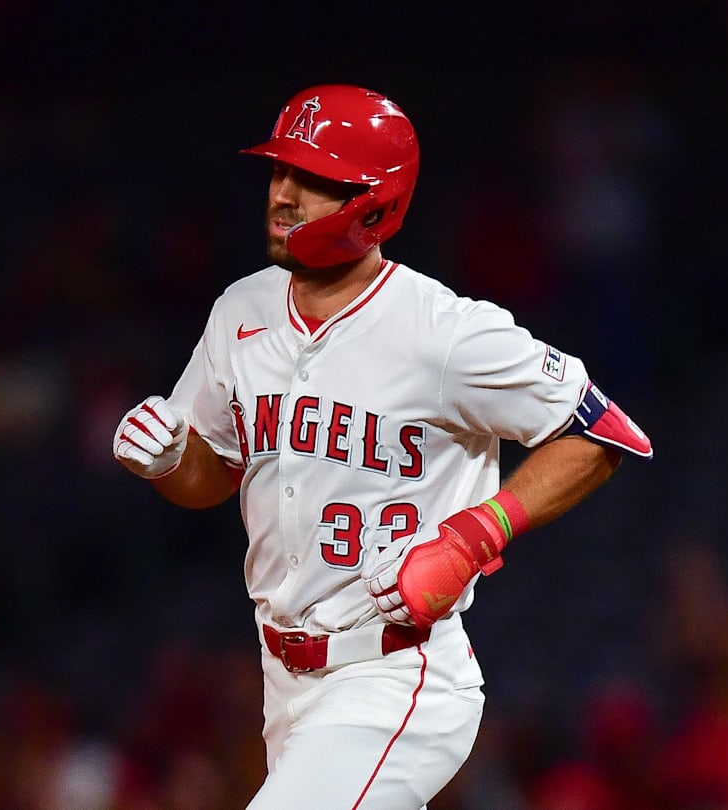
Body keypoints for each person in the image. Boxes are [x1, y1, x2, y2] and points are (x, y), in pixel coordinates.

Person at [112, 84, 653, 809]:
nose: (284, 194)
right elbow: (213, 478)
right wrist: (173, 459)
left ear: (375, 202)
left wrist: (474, 534)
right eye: (280, 171)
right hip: (285, 683)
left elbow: (603, 431)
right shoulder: (239, 311)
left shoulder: (441, 331)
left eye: (313, 181)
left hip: (397, 676)